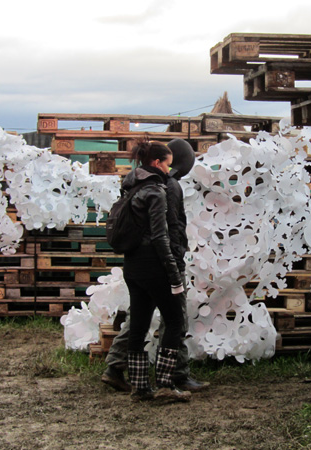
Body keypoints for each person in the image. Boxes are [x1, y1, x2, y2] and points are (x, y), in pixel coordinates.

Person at [105, 140, 189, 403]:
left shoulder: (130, 187)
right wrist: (174, 273)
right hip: (155, 266)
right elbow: (161, 237)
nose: (169, 168)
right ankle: (165, 385)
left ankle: (140, 388)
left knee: (139, 325)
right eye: (167, 163)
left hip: (132, 266)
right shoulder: (157, 191)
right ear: (157, 163)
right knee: (175, 321)